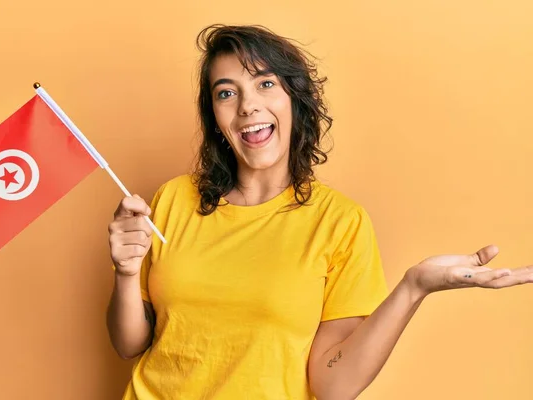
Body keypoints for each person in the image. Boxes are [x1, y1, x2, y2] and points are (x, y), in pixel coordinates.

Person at [105, 24, 533, 400]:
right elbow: (129, 344)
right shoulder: (172, 200)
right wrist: (125, 273)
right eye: (227, 92)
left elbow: (333, 386)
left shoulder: (339, 223)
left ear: (295, 99)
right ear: (216, 117)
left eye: (266, 84)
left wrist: (413, 287)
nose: (247, 105)